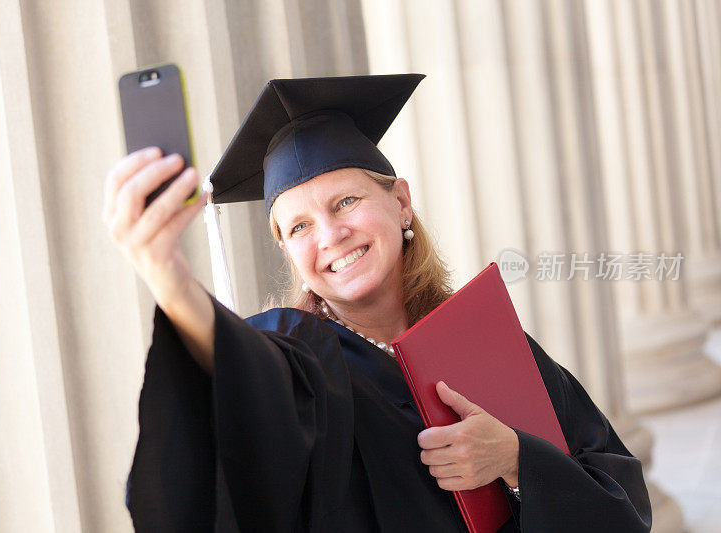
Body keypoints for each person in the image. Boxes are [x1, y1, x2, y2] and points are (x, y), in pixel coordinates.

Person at [103, 74, 652, 532]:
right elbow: (240, 378)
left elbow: (620, 501)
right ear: (288, 252)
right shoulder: (306, 360)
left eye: (346, 201)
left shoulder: (478, 336)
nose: (330, 235)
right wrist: (168, 275)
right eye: (298, 226)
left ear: (401, 202)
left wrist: (514, 458)